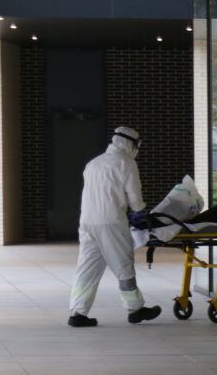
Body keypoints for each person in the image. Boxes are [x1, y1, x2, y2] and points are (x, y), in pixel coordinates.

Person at [68, 127, 162, 327]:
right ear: (130, 144)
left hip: (87, 222)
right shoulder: (126, 163)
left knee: (87, 268)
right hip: (111, 222)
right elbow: (135, 197)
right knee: (124, 266)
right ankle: (135, 309)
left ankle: (77, 312)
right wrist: (140, 213)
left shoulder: (93, 163)